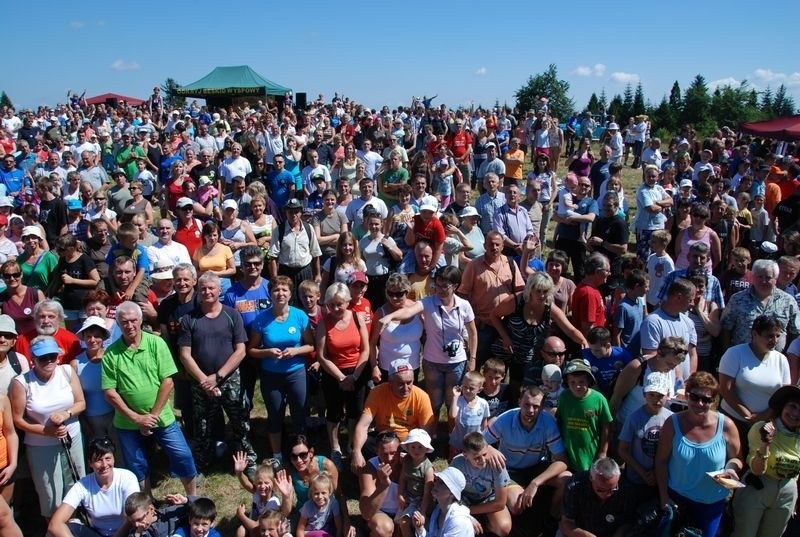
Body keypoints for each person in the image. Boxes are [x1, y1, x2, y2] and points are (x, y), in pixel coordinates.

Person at [101, 301, 198, 496]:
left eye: (133, 321)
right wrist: (136, 418)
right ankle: (147, 505)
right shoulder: (110, 354)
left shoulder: (156, 343)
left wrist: (151, 417)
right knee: (137, 464)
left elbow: (168, 382)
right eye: (124, 322)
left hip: (161, 416)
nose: (129, 326)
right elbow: (110, 392)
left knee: (182, 455)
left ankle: (192, 498)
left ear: (141, 320)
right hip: (128, 423)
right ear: (118, 324)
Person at [178, 272, 255, 476]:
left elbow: (241, 350)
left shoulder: (232, 314)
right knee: (202, 426)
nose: (207, 292)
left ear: (219, 290)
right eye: (203, 288)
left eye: (211, 288)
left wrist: (218, 377)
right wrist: (205, 380)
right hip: (201, 383)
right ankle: (202, 465)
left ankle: (248, 461)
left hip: (230, 379)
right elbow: (185, 355)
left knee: (240, 421)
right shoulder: (189, 319)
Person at [379, 266, 477, 417]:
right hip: (432, 362)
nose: (440, 290)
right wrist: (390, 317)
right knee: (434, 402)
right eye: (437, 285)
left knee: (453, 402)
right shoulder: (428, 302)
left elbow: (473, 333)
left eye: (445, 286)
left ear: (455, 286)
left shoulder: (464, 305)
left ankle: (451, 435)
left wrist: (473, 359)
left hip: (457, 362)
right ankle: (431, 434)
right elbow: (408, 311)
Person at [654, 371, 743, 537]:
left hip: (711, 503)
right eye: (695, 397)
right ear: (687, 395)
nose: (700, 403)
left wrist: (731, 468)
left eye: (707, 399)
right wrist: (664, 497)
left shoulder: (727, 425)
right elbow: (661, 461)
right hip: (678, 500)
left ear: (714, 401)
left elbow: (737, 458)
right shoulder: (672, 423)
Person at [9, 336, 86, 520]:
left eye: (53, 356)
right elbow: (18, 420)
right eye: (43, 358)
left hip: (72, 438)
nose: (49, 361)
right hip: (40, 446)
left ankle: (76, 522)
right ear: (32, 359)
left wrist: (66, 414)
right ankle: (54, 527)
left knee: (75, 484)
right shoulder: (22, 383)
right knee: (50, 492)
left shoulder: (67, 371)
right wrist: (46, 431)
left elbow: (81, 403)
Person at [248, 276, 314, 461]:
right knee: (275, 415)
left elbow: (311, 345)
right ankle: (277, 455)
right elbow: (251, 350)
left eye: (284, 290)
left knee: (299, 414)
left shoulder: (299, 316)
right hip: (271, 375)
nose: (280, 293)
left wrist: (295, 351)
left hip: (296, 372)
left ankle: (302, 453)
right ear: (270, 294)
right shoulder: (261, 319)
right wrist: (268, 352)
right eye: (276, 290)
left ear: (290, 294)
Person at [483, 386, 570, 519]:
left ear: (542, 407)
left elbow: (562, 460)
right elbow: (479, 443)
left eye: (536, 406)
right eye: (526, 405)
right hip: (508, 469)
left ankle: (553, 518)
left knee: (567, 478)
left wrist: (535, 482)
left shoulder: (548, 422)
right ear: (519, 402)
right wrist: (489, 448)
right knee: (517, 506)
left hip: (535, 467)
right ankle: (500, 493)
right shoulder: (505, 419)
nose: (530, 410)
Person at [489, 272, 586, 388]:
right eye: (538, 291)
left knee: (518, 387)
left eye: (545, 291)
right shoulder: (516, 301)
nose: (541, 295)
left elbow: (570, 330)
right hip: (504, 348)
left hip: (526, 354)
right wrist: (505, 337)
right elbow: (494, 316)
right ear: (530, 289)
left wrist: (584, 342)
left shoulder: (549, 308)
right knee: (495, 384)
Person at [731, 384, 800, 537]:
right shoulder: (762, 428)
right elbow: (757, 470)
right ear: (782, 407)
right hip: (758, 487)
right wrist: (765, 444)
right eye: (792, 406)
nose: (796, 413)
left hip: (787, 492)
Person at [315, 283, 370, 469]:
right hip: (334, 373)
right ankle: (335, 448)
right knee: (334, 412)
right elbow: (321, 355)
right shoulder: (324, 323)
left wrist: (354, 376)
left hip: (357, 372)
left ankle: (352, 444)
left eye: (339, 304)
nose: (336, 308)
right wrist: (341, 378)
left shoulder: (358, 318)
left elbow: (365, 349)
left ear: (347, 301)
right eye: (331, 305)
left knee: (355, 410)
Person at [718, 314, 791, 454]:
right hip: (734, 420)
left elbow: (784, 395)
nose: (774, 340)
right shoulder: (734, 353)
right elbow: (726, 389)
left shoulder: (781, 359)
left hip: (766, 425)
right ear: (755, 334)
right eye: (769, 336)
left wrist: (765, 415)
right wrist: (748, 415)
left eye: (777, 336)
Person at [351, 359, 436, 473]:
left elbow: (427, 433)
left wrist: (410, 449)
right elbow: (363, 425)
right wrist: (356, 452)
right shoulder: (377, 392)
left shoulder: (421, 396)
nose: (406, 388)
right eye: (401, 384)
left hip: (409, 443)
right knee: (362, 445)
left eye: (409, 382)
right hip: (385, 439)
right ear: (390, 382)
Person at [47, 437, 140, 537]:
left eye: (108, 458)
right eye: (98, 460)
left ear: (113, 459)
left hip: (127, 533)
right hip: (97, 534)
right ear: (90, 463)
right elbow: (54, 525)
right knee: (56, 532)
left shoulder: (127, 477)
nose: (104, 465)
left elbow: (132, 518)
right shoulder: (82, 485)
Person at [721, 259, 800, 353]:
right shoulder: (737, 299)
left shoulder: (788, 301)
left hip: (775, 360)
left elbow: (795, 331)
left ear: (776, 278)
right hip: (742, 358)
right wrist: (726, 353)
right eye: (759, 277)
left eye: (768, 277)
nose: (763, 281)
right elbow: (726, 329)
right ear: (753, 277)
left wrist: (787, 355)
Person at [617, 372, 673, 496]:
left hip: (663, 478)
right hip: (637, 479)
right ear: (644, 394)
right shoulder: (633, 418)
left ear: (668, 395)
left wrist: (657, 471)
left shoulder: (671, 418)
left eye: (660, 395)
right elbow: (622, 449)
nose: (655, 399)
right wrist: (642, 472)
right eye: (651, 395)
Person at [559, 458, 637, 537]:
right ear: (591, 478)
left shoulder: (626, 489)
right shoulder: (574, 486)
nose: (607, 494)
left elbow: (627, 523)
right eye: (601, 490)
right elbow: (566, 523)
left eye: (612, 489)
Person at [369, 273, 424, 382]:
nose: (394, 298)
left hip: (413, 367)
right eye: (390, 293)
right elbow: (372, 343)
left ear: (407, 292)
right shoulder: (381, 313)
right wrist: (374, 367)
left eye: (398, 294)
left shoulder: (417, 308)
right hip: (387, 368)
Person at [233, 454, 293, 537]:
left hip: (264, 531)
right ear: (255, 483)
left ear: (274, 484)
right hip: (254, 525)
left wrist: (241, 515)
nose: (262, 486)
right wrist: (239, 473)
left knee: (252, 532)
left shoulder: (273, 503)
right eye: (259, 483)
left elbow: (255, 527)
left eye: (266, 483)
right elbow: (247, 484)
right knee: (241, 531)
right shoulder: (257, 493)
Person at [358, 430, 404, 537]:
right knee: (383, 528)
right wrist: (383, 485)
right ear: (376, 451)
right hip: (380, 512)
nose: (389, 459)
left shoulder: (409, 463)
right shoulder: (369, 469)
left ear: (400, 449)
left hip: (404, 512)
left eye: (393, 453)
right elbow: (366, 513)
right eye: (384, 454)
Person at [411, 467, 474, 537]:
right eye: (437, 480)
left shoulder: (457, 520)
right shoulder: (438, 511)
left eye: (442, 483)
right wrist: (420, 529)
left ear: (452, 493)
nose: (436, 484)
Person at [395, 429, 434, 537]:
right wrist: (400, 494)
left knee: (408, 522)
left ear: (426, 449)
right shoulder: (407, 460)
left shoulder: (428, 468)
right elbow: (402, 479)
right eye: (413, 447)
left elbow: (427, 493)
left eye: (420, 447)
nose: (416, 450)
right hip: (408, 497)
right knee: (399, 523)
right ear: (407, 447)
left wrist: (423, 511)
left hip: (421, 500)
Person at [0, 259, 45, 335]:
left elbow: (47, 319)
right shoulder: (1, 298)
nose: (12, 278)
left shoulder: (36, 294)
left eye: (16, 275)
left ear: (21, 274)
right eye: (7, 276)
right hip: (15, 342)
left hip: (37, 340)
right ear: (2, 277)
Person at [18, 225, 58, 293]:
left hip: (45, 297)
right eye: (27, 238)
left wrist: (49, 294)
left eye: (34, 237)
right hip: (27, 297)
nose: (31, 240)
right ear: (24, 240)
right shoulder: (20, 259)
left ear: (39, 239)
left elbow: (56, 279)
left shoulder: (49, 257)